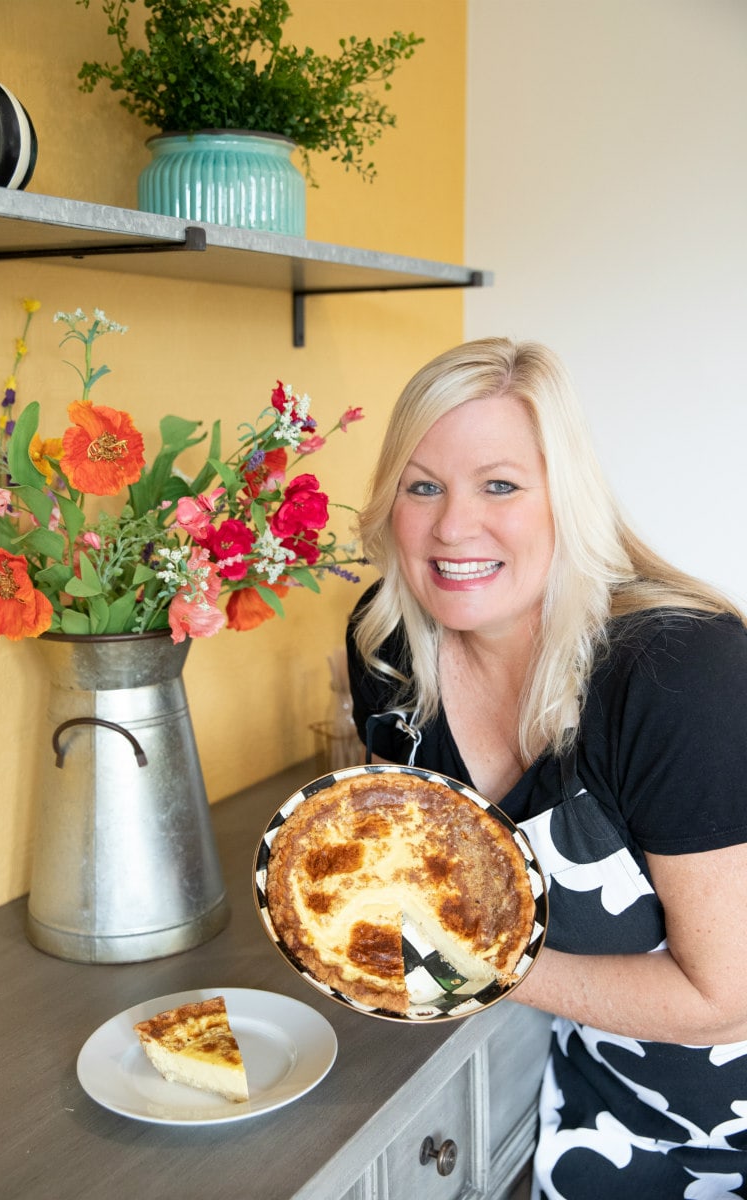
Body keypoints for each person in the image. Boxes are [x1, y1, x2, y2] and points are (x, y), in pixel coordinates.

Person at [346, 337, 747, 1198]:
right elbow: (410, 871)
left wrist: (464, 966)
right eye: (423, 486)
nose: (454, 527)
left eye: (500, 485)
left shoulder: (677, 672)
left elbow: (727, 995)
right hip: (602, 1101)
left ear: (566, 498)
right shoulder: (388, 650)